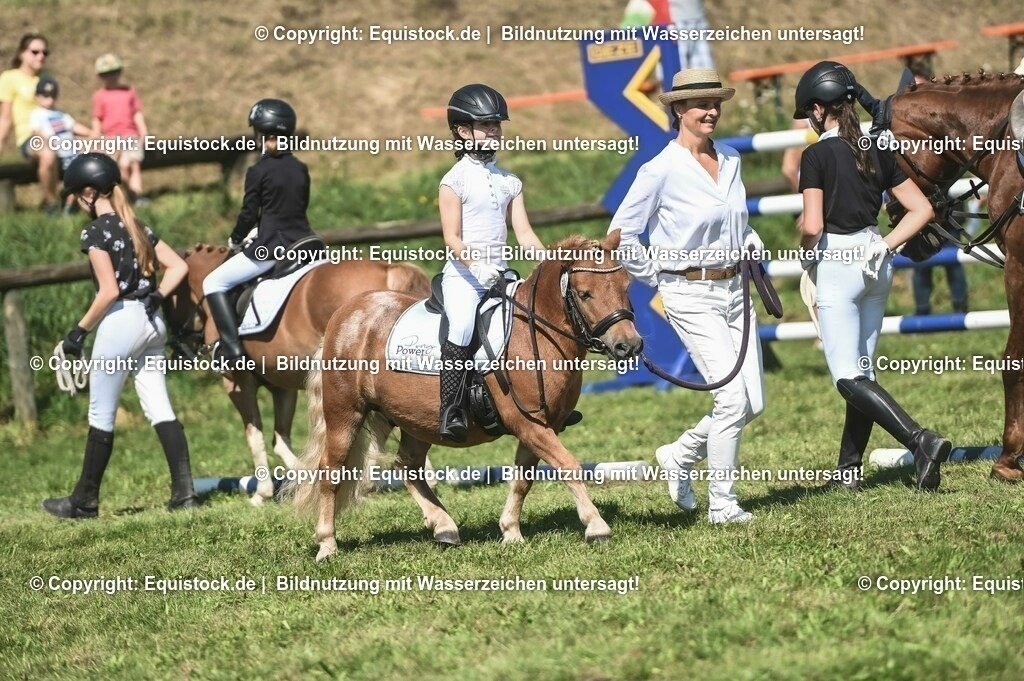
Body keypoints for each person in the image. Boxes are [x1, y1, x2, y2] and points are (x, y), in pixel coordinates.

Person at [612, 68, 766, 524]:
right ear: (678, 109)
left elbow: (734, 220)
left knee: (752, 402)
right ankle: (723, 504)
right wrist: (655, 276)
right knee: (731, 400)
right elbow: (621, 234)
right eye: (701, 103)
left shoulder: (732, 159)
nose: (712, 111)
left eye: (716, 102)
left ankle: (679, 455)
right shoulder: (659, 169)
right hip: (690, 295)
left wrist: (750, 239)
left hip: (737, 289)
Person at [795, 61, 951, 492]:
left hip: (838, 265)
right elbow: (922, 210)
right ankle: (848, 474)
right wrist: (884, 246)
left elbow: (811, 226)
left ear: (818, 110)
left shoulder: (816, 155)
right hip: (876, 259)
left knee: (847, 376)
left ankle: (920, 439)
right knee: (862, 371)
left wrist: (806, 255)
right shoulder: (878, 147)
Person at [42, 153, 197, 518]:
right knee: (160, 407)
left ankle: (84, 501)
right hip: (151, 322)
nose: (76, 202)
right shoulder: (136, 224)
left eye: (77, 195)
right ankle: (184, 494)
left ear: (91, 193)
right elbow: (179, 266)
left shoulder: (95, 232)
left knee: (101, 412)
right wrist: (157, 296)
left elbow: (108, 290)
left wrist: (76, 334)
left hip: (121, 323)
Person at [438, 83, 545, 442]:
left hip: (500, 273)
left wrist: (547, 261)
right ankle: (451, 409)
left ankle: (544, 402)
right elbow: (452, 238)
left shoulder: (509, 182)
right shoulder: (453, 182)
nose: (495, 131)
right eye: (486, 125)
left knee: (533, 323)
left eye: (497, 125)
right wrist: (478, 266)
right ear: (463, 131)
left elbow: (525, 234)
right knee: (463, 327)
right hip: (464, 276)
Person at [202, 98, 315, 369]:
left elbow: (249, 213)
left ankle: (231, 351)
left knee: (212, 283)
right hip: (306, 243)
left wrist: (237, 238)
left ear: (263, 134)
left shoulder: (258, 171)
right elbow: (293, 209)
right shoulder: (301, 168)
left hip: (272, 247)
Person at [28, 77, 93, 215]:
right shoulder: (37, 114)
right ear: (37, 96)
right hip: (56, 149)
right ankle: (54, 203)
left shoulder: (61, 113)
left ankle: (71, 206)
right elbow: (38, 132)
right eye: (45, 95)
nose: (49, 99)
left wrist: (92, 133)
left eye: (52, 95)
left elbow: (74, 126)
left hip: (70, 149)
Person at [91, 53, 149, 204]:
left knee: (132, 164)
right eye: (106, 74)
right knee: (119, 166)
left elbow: (136, 113)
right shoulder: (100, 95)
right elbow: (97, 118)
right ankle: (126, 194)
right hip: (111, 137)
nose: (111, 77)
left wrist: (143, 131)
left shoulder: (129, 91)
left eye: (114, 72)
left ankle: (137, 195)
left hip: (130, 134)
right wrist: (97, 136)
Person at [0, 34, 50, 207]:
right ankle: (51, 204)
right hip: (30, 138)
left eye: (45, 52)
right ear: (22, 53)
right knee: (47, 151)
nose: (41, 56)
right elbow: (5, 118)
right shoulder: (10, 78)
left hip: (54, 134)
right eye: (35, 52)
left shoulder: (45, 81)